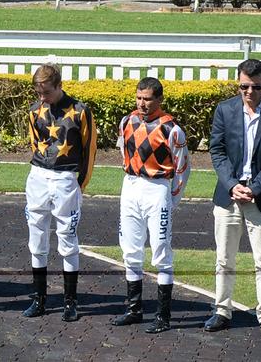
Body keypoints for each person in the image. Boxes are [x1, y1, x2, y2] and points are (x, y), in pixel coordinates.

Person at [204, 59, 261, 339]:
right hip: (228, 195)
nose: (249, 92)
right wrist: (232, 185)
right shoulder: (224, 110)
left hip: (260, 196)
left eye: (255, 87)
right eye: (243, 86)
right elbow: (216, 151)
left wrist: (255, 187)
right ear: (238, 83)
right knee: (224, 259)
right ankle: (222, 310)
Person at [111, 77, 190, 334]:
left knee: (161, 252)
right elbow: (124, 151)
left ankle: (163, 316)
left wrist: (171, 198)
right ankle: (134, 309)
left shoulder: (172, 129)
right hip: (131, 186)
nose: (142, 104)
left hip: (158, 189)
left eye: (148, 99)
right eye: (139, 98)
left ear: (159, 100)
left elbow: (182, 168)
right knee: (130, 250)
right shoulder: (126, 121)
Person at [22, 63, 96, 321]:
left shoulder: (80, 111)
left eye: (47, 93)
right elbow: (34, 144)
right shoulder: (34, 111)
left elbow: (90, 150)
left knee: (67, 238)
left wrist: (80, 184)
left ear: (59, 86)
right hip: (39, 176)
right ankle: (39, 299)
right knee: (37, 238)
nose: (43, 98)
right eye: (39, 93)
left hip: (66, 178)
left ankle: (70, 302)